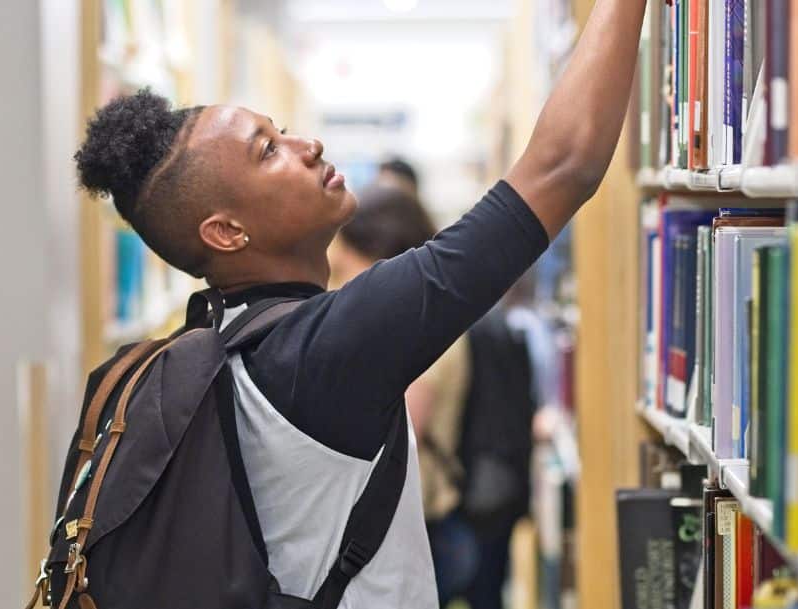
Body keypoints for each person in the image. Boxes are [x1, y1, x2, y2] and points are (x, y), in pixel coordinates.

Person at [70, 0, 644, 603]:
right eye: (268, 151)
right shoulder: (327, 345)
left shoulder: (224, 341)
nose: (307, 146)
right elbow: (564, 165)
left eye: (282, 131)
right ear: (227, 232)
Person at [326, 184, 480, 605]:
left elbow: (391, 439)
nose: (337, 288)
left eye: (344, 270)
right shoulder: (407, 326)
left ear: (383, 261)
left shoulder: (425, 335)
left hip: (419, 533)